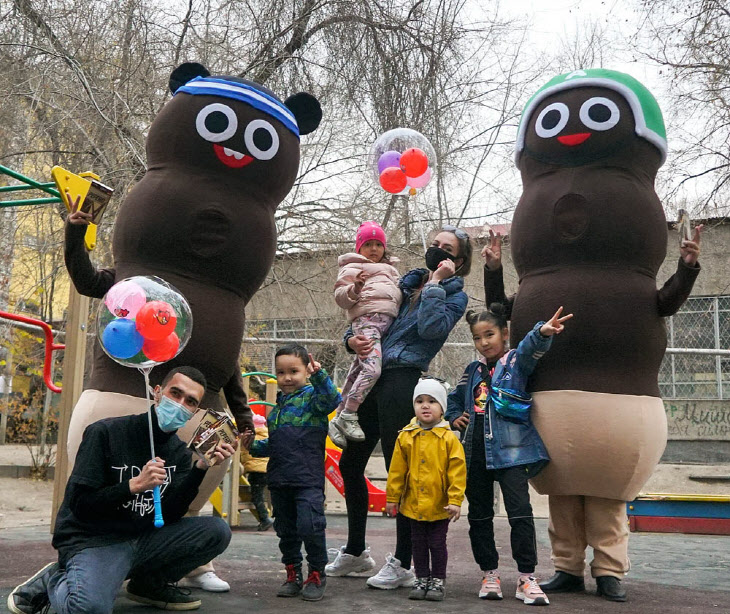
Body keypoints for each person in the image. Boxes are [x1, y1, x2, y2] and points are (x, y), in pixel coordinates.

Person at [483, 227, 701, 602]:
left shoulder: (628, 281)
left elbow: (667, 299)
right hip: (553, 410)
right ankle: (567, 567)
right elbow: (503, 310)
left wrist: (687, 266)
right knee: (562, 500)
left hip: (617, 410)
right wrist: (494, 267)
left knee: (607, 500)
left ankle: (609, 571)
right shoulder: (540, 285)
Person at [7, 366, 237, 614]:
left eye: (190, 402)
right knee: (89, 608)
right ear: (157, 392)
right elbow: (80, 505)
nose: (180, 404)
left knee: (217, 531)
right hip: (95, 539)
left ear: (194, 412)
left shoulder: (180, 454)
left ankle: (148, 585)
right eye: (175, 393)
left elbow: (170, 515)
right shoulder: (105, 433)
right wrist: (133, 486)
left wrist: (200, 468)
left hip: (142, 537)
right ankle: (54, 578)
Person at [326, 226, 472, 590]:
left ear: (459, 261)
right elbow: (370, 317)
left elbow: (429, 329)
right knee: (350, 462)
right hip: (373, 375)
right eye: (435, 244)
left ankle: (403, 562)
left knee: (399, 469)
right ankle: (357, 551)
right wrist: (350, 340)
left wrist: (437, 283)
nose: (437, 251)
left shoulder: (454, 296)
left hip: (402, 379)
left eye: (447, 249)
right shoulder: (405, 283)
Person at [446, 305, 572, 607]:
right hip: (474, 452)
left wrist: (542, 331)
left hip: (511, 453)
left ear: (504, 334)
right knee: (479, 515)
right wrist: (453, 416)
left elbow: (531, 348)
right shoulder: (471, 371)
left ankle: (527, 576)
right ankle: (489, 574)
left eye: (489, 335)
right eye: (477, 338)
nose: (484, 342)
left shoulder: (514, 362)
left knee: (520, 513)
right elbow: (453, 400)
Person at [251, 345, 341, 602]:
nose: (287, 377)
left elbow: (333, 399)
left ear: (305, 371)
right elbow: (273, 444)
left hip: (307, 479)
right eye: (281, 372)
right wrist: (252, 445)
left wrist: (319, 375)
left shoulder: (313, 399)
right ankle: (293, 573)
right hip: (279, 480)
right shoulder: (276, 410)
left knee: (310, 525)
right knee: (286, 530)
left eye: (294, 371)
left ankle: (316, 573)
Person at [386, 378, 466, 602]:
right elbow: (397, 470)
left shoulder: (449, 438)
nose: (425, 405)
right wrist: (393, 497)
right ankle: (421, 577)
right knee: (418, 544)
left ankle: (438, 580)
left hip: (440, 505)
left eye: (432, 401)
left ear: (442, 408)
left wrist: (455, 500)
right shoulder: (406, 436)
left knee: (437, 543)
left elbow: (457, 472)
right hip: (413, 504)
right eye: (420, 401)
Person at [330, 221, 401, 446]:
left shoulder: (391, 271)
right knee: (372, 369)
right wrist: (356, 288)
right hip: (367, 322)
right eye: (368, 244)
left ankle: (339, 415)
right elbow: (341, 298)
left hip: (386, 326)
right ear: (359, 248)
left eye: (378, 244)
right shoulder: (352, 267)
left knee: (357, 371)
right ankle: (350, 413)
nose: (373, 249)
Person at [240, 412, 274, 531]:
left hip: (255, 471)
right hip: (268, 469)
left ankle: (264, 519)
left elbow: (244, 452)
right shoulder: (267, 434)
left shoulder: (249, 437)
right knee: (271, 495)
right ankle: (277, 517)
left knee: (257, 496)